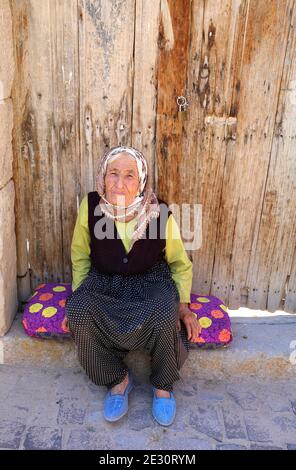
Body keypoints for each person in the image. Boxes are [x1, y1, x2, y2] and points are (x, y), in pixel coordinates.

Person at [64, 145, 201, 426]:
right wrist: (79, 293)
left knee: (166, 310)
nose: (119, 182)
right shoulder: (90, 206)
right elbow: (80, 255)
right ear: (103, 176)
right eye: (113, 173)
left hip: (150, 282)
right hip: (104, 282)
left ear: (141, 182)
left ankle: (163, 386)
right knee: (77, 311)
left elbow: (179, 263)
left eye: (129, 175)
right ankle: (117, 379)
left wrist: (184, 308)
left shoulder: (159, 212)